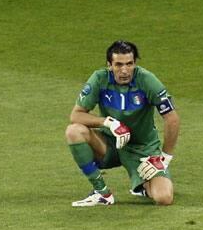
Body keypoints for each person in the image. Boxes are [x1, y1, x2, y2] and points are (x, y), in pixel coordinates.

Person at [65, 40, 180, 206]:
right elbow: (76, 115)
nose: (125, 70)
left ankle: (142, 185)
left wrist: (164, 158)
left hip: (142, 149)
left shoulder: (147, 80)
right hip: (110, 144)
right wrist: (108, 122)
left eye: (129, 64)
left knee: (164, 198)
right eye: (118, 64)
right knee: (74, 131)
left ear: (135, 63)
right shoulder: (99, 79)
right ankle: (102, 193)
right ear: (109, 65)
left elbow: (172, 118)